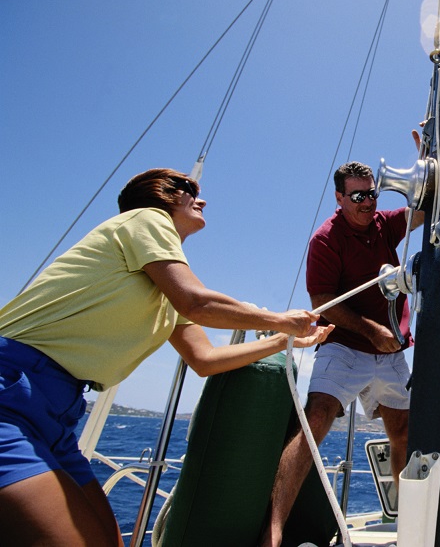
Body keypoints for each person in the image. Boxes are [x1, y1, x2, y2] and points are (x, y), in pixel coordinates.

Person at [0, 168, 333, 546]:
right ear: (162, 194)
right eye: (190, 191)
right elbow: (198, 302)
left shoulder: (161, 291)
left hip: (57, 413)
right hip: (10, 388)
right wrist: (281, 320)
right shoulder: (146, 218)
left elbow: (204, 358)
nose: (201, 199)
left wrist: (282, 341)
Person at [261, 161, 424, 547]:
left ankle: (410, 524)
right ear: (339, 197)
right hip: (343, 345)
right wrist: (370, 329)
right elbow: (321, 301)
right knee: (316, 420)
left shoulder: (385, 223)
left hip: (391, 353)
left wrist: (431, 168)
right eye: (358, 196)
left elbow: (425, 210)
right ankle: (273, 530)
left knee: (401, 431)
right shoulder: (326, 239)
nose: (368, 202)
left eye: (372, 193)